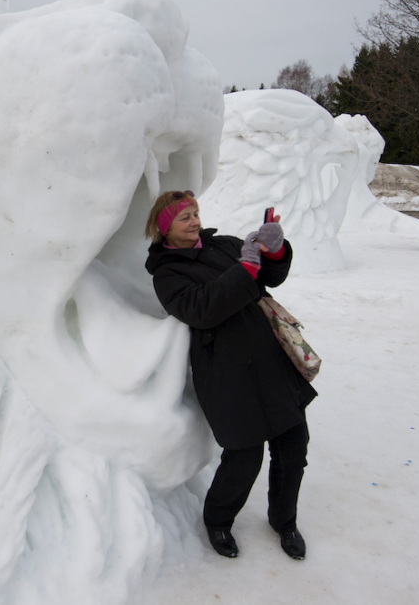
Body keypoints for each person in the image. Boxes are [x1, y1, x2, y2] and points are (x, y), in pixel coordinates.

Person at [144, 191, 316, 561]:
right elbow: (202, 309)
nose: (194, 222)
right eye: (184, 217)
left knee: (293, 447)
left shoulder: (224, 244)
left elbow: (269, 277)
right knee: (244, 456)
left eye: (195, 213)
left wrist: (274, 250)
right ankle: (218, 520)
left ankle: (285, 522)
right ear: (164, 229)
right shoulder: (166, 273)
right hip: (227, 373)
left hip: (271, 361)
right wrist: (246, 270)